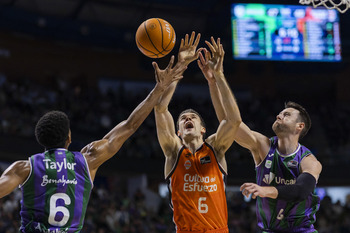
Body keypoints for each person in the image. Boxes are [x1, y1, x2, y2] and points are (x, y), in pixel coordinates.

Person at [0, 55, 187, 232]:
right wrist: (159, 88)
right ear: (69, 138)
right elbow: (130, 125)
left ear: (41, 140)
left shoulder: (24, 168)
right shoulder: (87, 160)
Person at [205, 64, 322, 232]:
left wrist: (264, 190)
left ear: (299, 126)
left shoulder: (309, 161)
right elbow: (229, 122)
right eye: (280, 113)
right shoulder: (263, 145)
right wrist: (215, 80)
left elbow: (301, 191)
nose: (279, 115)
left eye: (286, 115)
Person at [154, 33, 242, 233]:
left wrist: (217, 77)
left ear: (203, 129)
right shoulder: (173, 151)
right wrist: (181, 65)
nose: (187, 119)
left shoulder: (215, 148)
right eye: (183, 118)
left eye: (192, 117)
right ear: (178, 132)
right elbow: (160, 109)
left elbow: (234, 120)